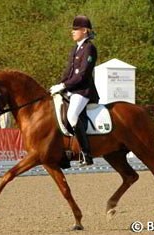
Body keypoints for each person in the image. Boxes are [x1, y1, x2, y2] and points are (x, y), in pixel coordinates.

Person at [50, 15, 99, 167]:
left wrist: (64, 86)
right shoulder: (75, 48)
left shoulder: (89, 48)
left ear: (84, 31)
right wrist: (58, 85)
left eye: (75, 29)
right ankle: (64, 152)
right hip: (71, 89)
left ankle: (86, 154)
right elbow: (68, 72)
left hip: (83, 91)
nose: (72, 32)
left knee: (71, 116)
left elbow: (82, 75)